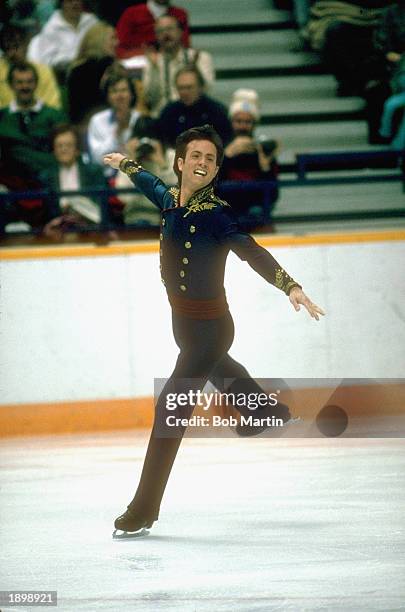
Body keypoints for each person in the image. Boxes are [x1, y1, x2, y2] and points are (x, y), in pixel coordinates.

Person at [103, 124, 325, 537]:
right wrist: (127, 164)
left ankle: (143, 509)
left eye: (210, 159)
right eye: (196, 156)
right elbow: (149, 181)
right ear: (180, 163)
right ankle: (264, 411)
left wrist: (289, 285)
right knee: (223, 372)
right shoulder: (168, 199)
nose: (202, 163)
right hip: (183, 326)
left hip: (211, 328)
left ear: (216, 168)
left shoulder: (218, 214)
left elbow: (250, 250)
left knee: (170, 408)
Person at [0, 61, 66, 190]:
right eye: (19, 82)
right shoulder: (2, 117)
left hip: (50, 182)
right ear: (11, 85)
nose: (25, 86)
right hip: (11, 184)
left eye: (29, 82)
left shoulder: (55, 116)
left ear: (36, 84)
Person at [220, 89, 279, 226]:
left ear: (254, 124)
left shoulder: (263, 150)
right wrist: (226, 157)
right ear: (231, 122)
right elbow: (209, 188)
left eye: (247, 122)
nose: (243, 126)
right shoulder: (219, 149)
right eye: (238, 121)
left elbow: (273, 195)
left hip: (255, 210)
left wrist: (265, 168)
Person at [40, 124, 108, 238]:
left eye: (68, 145)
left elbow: (101, 207)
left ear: (77, 149)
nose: (63, 150)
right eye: (59, 146)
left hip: (89, 228)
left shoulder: (93, 172)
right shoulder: (46, 176)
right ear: (54, 150)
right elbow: (46, 212)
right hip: (59, 229)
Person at [142, 15, 215, 116]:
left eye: (169, 29)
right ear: (156, 36)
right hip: (163, 119)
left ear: (180, 32)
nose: (165, 34)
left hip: (194, 116)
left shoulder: (199, 57)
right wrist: (155, 69)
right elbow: (150, 99)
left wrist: (194, 70)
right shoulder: (152, 63)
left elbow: (207, 90)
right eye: (160, 31)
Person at [158, 66, 233, 148]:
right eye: (181, 88)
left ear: (200, 87)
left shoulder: (217, 112)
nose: (184, 92)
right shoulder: (169, 112)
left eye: (189, 87)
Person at [27, 0, 99, 82]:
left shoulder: (92, 22)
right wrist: (73, 61)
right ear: (61, 3)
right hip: (64, 75)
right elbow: (48, 61)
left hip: (94, 69)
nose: (75, 3)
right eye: (69, 1)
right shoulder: (51, 29)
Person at [87, 72, 141, 175]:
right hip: (107, 182)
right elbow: (96, 159)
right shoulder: (97, 121)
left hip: (136, 177)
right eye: (114, 91)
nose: (119, 95)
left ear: (131, 94)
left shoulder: (140, 119)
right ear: (108, 96)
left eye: (123, 90)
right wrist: (117, 134)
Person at [66, 21, 120, 125]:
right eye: (113, 38)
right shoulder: (80, 72)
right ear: (98, 40)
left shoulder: (113, 66)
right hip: (89, 126)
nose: (117, 42)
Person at [0, 23, 61, 110]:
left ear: (26, 45)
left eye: (16, 46)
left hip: (40, 119)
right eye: (8, 48)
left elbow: (54, 106)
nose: (12, 53)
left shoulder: (43, 71)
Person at [116, 0, 190, 59]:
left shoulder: (180, 14)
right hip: (138, 67)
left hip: (175, 65)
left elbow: (185, 47)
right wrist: (143, 54)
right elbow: (119, 49)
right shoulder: (131, 14)